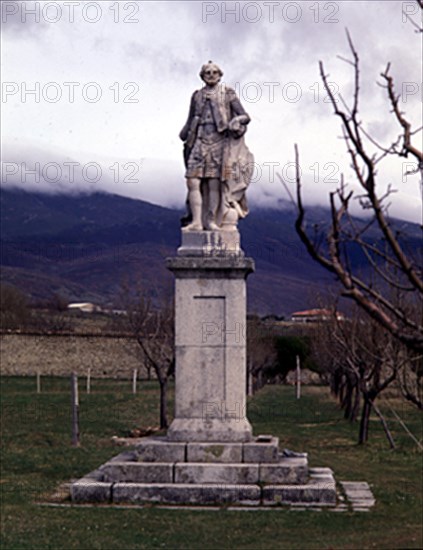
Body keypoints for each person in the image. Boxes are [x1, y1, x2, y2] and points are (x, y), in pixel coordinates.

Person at [179, 61, 254, 232]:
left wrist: (236, 120)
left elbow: (245, 115)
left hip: (219, 140)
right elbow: (191, 118)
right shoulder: (197, 95)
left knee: (213, 183)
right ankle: (196, 221)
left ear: (220, 75)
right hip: (199, 139)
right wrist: (184, 133)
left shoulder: (227, 93)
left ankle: (211, 220)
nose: (211, 75)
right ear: (202, 75)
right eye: (207, 72)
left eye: (214, 72)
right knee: (192, 180)